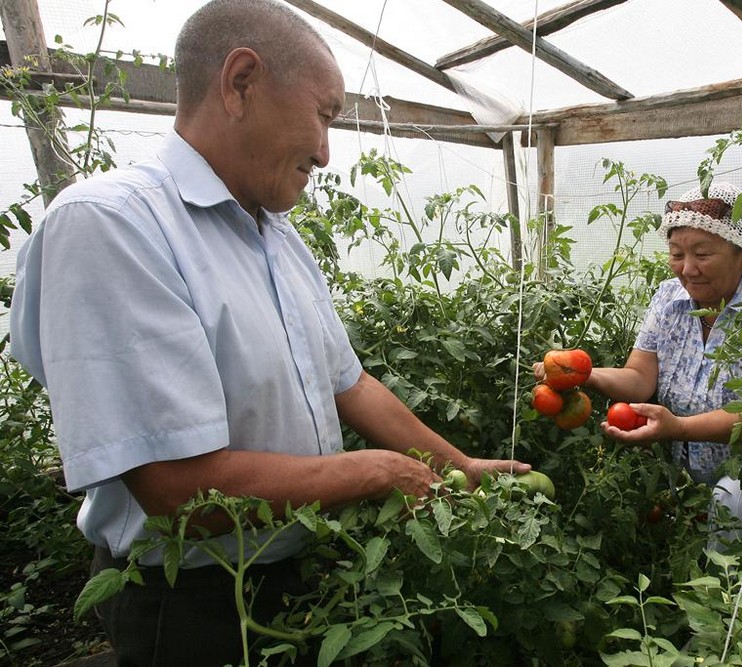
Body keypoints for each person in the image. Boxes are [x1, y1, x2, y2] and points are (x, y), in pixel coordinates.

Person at [8, 0, 529, 664]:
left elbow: (351, 384)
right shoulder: (113, 225)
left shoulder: (275, 236)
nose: (324, 150)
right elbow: (175, 488)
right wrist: (380, 471)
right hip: (192, 600)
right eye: (324, 115)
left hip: (296, 575)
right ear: (241, 82)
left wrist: (457, 469)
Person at [535, 181, 742, 542]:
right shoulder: (669, 297)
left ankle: (732, 594)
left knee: (733, 504)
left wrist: (678, 428)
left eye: (703, 254)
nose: (687, 269)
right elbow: (639, 377)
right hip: (687, 464)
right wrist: (580, 375)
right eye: (677, 254)